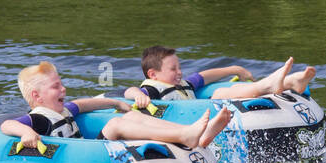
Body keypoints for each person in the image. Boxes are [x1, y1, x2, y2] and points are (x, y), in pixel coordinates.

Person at [1, 61, 232, 150]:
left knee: (130, 117)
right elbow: (7, 124)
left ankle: (191, 137)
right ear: (36, 97)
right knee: (113, 125)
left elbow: (84, 105)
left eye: (62, 85)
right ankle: (184, 135)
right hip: (83, 160)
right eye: (56, 87)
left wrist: (116, 102)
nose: (63, 90)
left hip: (93, 152)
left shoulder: (64, 110)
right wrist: (26, 132)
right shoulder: (38, 119)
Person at [124, 46, 316, 102]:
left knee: (223, 91)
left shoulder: (183, 84)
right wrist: (138, 96)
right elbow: (129, 92)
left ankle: (290, 81)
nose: (179, 72)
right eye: (173, 69)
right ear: (153, 74)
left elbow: (205, 76)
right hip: (185, 119)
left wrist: (234, 70)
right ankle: (274, 83)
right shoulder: (153, 91)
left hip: (201, 109)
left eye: (179, 67)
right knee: (218, 95)